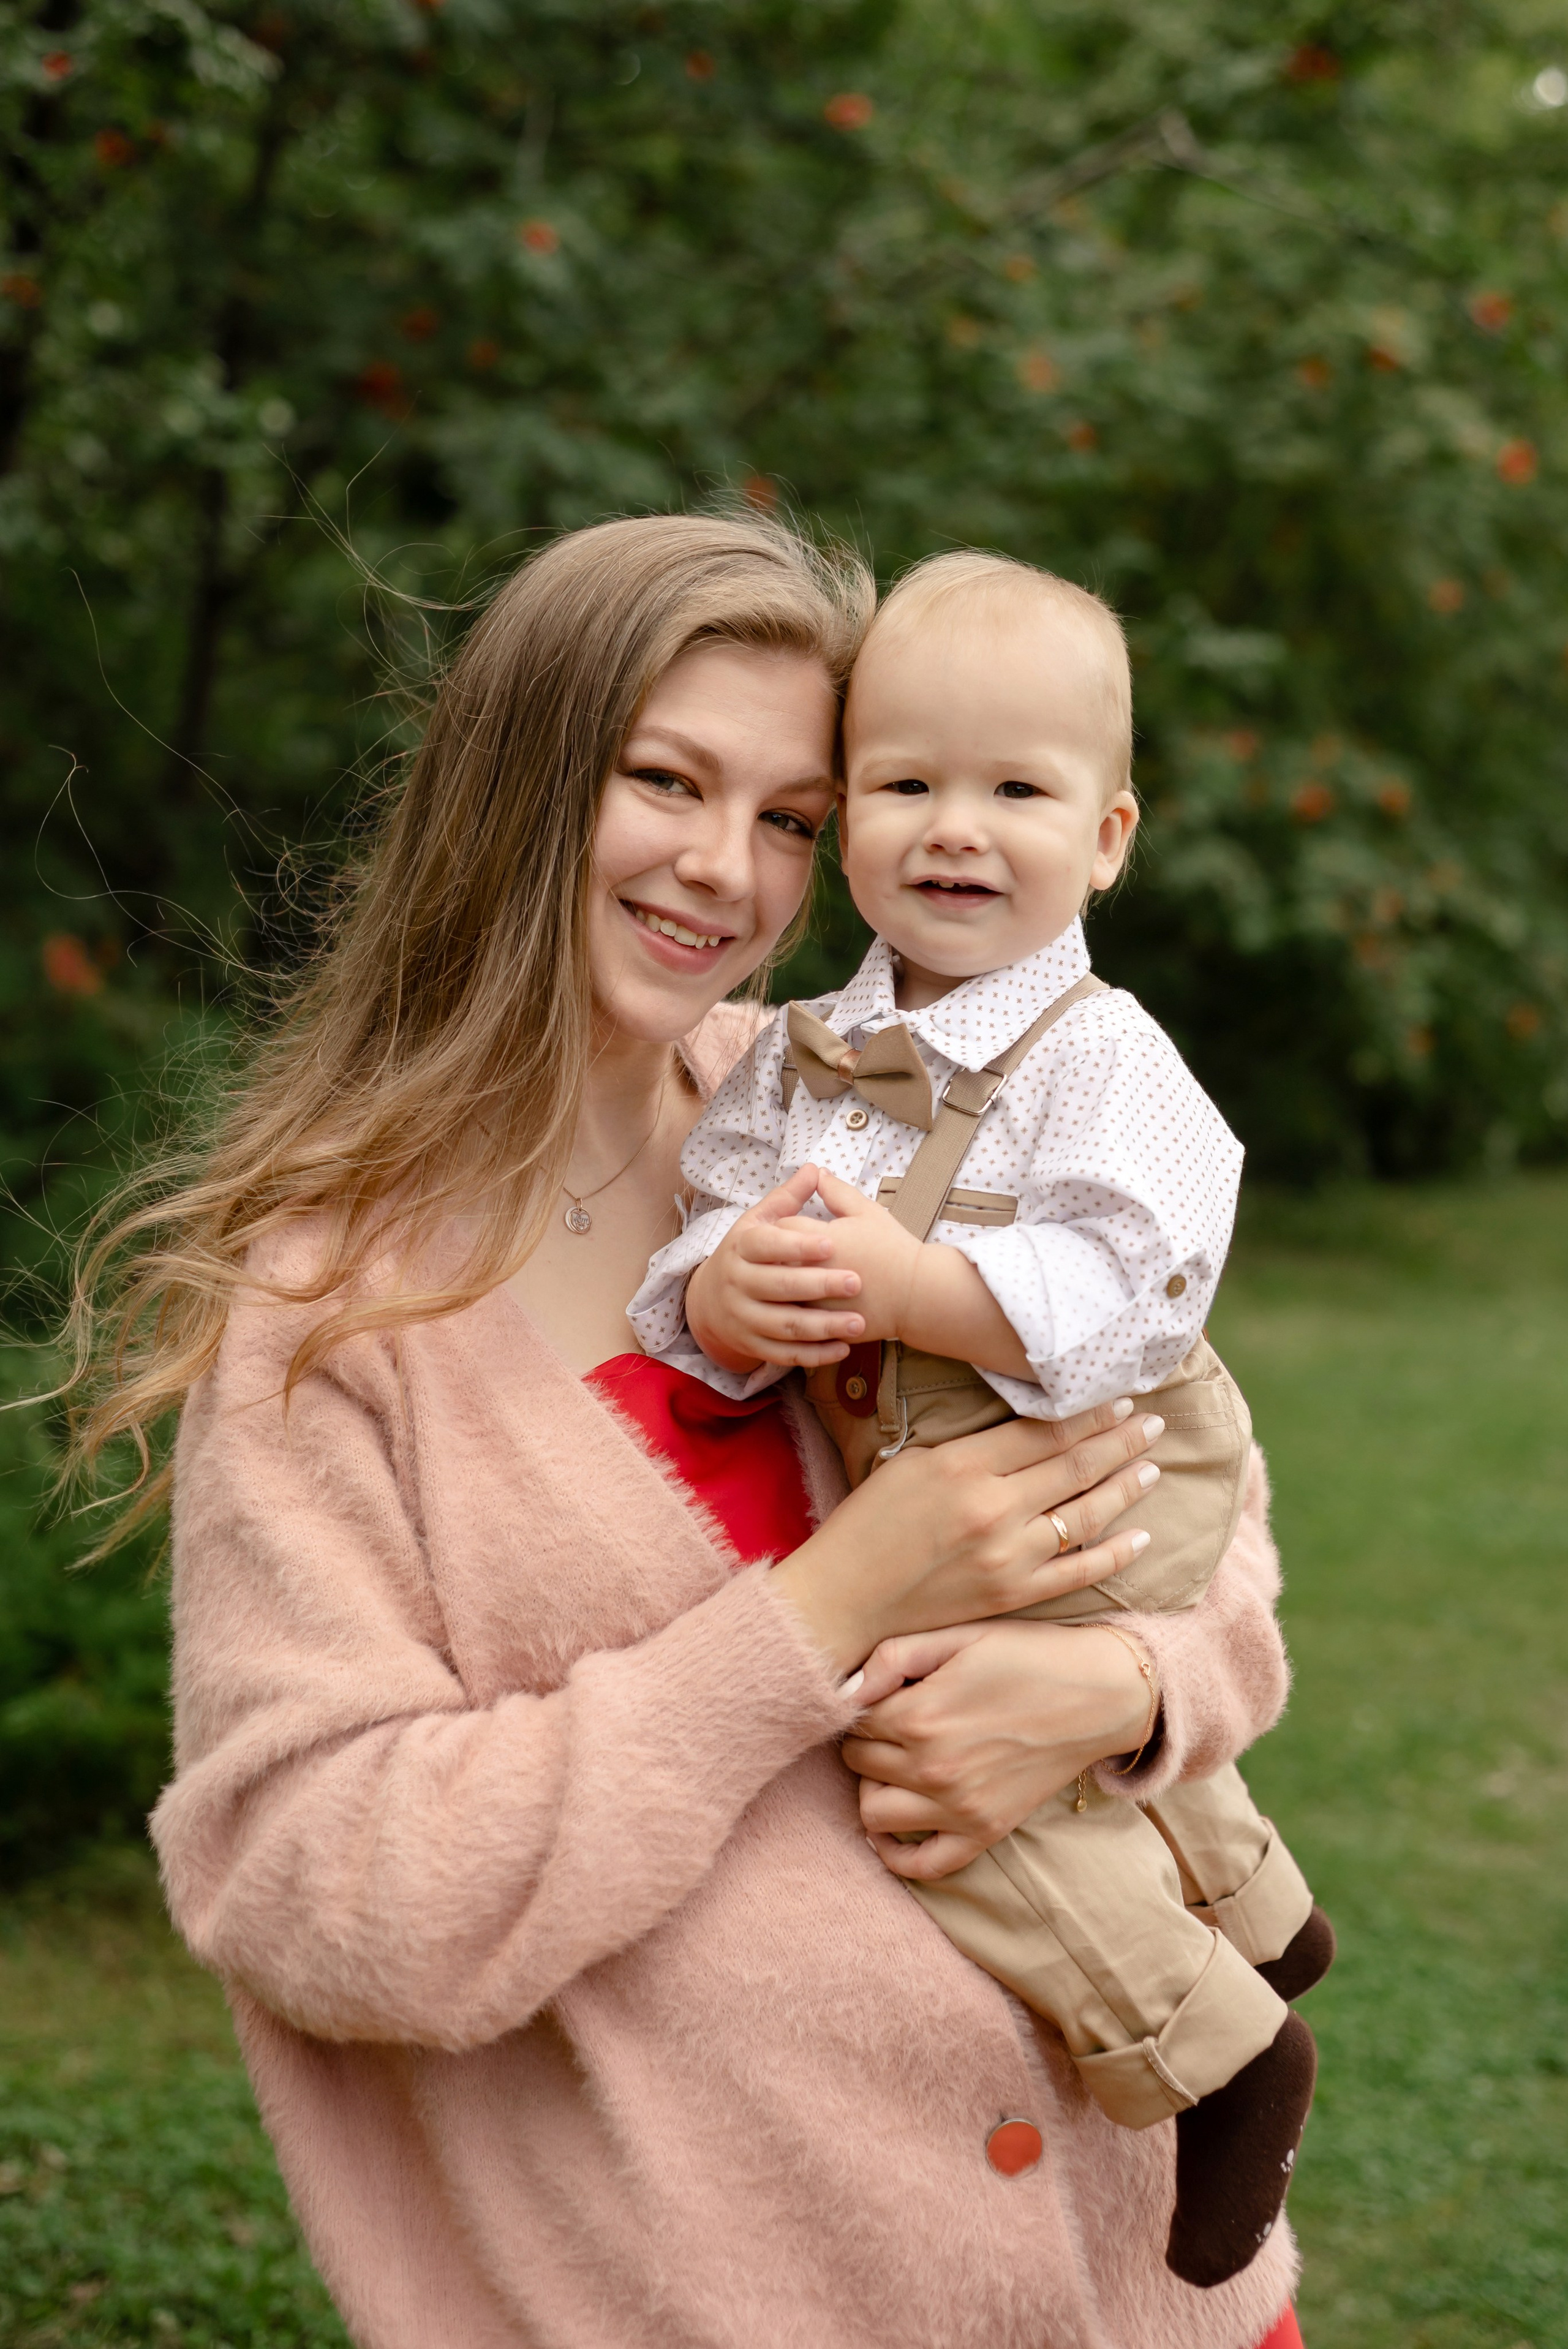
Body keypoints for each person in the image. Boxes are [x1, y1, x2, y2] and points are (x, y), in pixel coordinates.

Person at [66, 513, 1306, 2349]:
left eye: (795, 814)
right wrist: (815, 1621)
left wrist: (1117, 1686)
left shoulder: (843, 1097)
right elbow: (312, 1878)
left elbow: (1192, 1473)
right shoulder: (335, 1313)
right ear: (524, 781)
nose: (728, 870)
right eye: (666, 779)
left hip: (1146, 2286)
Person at [630, 550, 1333, 2287]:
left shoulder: (1106, 1053)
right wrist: (723, 1295)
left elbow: (1142, 1276)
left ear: (1107, 835)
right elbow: (718, 1201)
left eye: (1016, 788)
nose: (958, 826)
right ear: (849, 815)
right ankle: (1258, 1906)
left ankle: (1214, 2045)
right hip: (948, 1453)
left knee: (947, 1765)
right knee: (1038, 1682)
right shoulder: (799, 1052)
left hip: (1112, 1440)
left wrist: (912, 1292)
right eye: (907, 782)